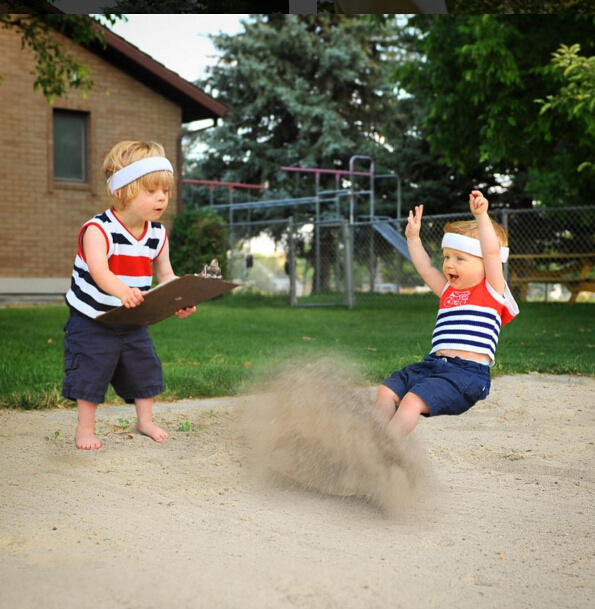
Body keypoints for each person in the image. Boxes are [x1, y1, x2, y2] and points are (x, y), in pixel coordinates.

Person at [63, 141, 196, 450]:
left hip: (133, 315)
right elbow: (99, 271)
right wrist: (123, 291)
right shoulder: (98, 229)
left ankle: (145, 420)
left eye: (165, 191)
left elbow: (165, 275)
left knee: (143, 365)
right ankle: (85, 428)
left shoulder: (157, 234)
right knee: (91, 367)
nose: (162, 198)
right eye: (151, 191)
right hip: (92, 316)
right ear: (121, 191)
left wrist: (181, 297)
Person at [373, 190, 519, 438]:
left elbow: (492, 253)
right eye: (447, 256)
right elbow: (425, 268)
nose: (449, 264)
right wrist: (413, 239)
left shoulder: (492, 290)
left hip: (466, 375)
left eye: (460, 258)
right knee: (386, 391)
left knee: (412, 401)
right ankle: (369, 440)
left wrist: (482, 215)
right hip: (432, 366)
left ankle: (385, 449)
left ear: (485, 264)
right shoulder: (448, 291)